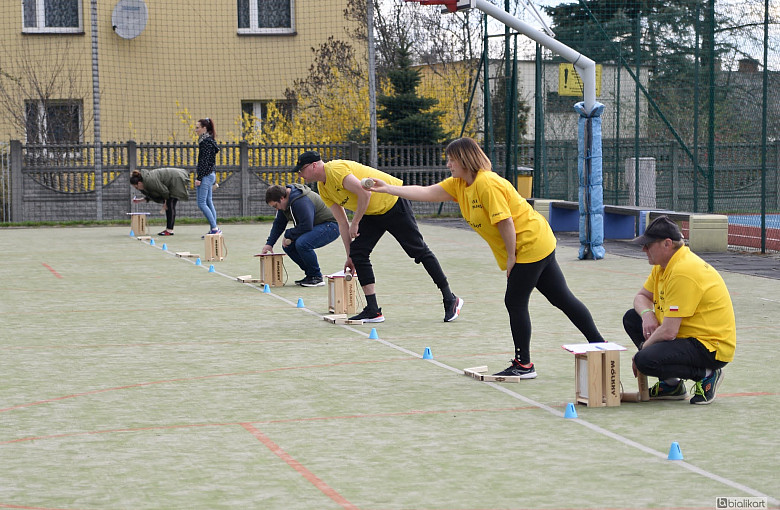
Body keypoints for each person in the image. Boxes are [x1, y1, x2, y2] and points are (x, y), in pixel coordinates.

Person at [369, 137, 604, 378]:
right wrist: (388, 188)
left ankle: (524, 365)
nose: (449, 164)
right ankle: (600, 346)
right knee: (561, 298)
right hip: (535, 242)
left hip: (530, 244)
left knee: (514, 301)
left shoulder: (486, 184)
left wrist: (511, 257)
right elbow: (426, 192)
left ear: (464, 159)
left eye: (452, 160)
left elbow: (505, 222)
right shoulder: (460, 184)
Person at [294, 150, 463, 323]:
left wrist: (357, 221)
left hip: (393, 203)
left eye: (301, 170)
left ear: (314, 165)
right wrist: (349, 256)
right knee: (358, 253)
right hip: (372, 213)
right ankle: (373, 311)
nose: (300, 175)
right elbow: (343, 223)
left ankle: (450, 299)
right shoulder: (323, 188)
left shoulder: (335, 170)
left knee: (418, 251)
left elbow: (365, 193)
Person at [623, 215, 736, 404]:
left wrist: (640, 352)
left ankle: (707, 373)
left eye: (648, 244)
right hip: (686, 336)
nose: (644, 249)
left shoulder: (683, 271)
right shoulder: (663, 266)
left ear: (667, 244)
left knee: (645, 360)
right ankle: (671, 384)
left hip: (710, 346)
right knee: (632, 319)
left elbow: (668, 332)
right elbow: (641, 297)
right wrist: (647, 314)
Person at [261, 184, 340, 287]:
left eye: (275, 206)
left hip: (331, 225)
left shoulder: (300, 201)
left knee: (302, 243)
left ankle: (316, 277)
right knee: (288, 246)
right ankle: (311, 275)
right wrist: (269, 244)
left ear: (282, 198)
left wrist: (288, 234)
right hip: (316, 225)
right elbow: (279, 224)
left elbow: (306, 226)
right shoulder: (284, 203)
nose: (276, 209)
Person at [130, 167, 190, 236]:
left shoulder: (150, 181)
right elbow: (153, 195)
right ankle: (169, 229)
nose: (137, 189)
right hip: (172, 180)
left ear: (139, 183)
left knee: (170, 204)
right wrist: (140, 200)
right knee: (168, 203)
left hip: (176, 178)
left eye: (136, 187)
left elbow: (164, 191)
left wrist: (165, 203)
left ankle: (169, 230)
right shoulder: (145, 184)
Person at [195, 118, 221, 237]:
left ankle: (215, 229)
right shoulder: (209, 141)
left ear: (204, 129)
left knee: (201, 203)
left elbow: (204, 162)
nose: (196, 130)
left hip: (206, 175)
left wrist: (199, 178)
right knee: (208, 202)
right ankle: (214, 229)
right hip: (210, 174)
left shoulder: (205, 142)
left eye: (197, 127)